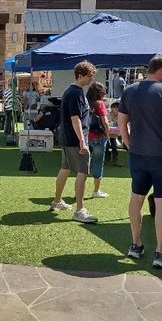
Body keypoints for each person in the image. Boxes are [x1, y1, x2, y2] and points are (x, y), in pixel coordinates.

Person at [118, 54, 162, 269]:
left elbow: (121, 122)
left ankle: (135, 245)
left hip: (138, 155)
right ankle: (160, 252)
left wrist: (128, 144)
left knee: (136, 198)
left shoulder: (129, 91)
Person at [49, 60, 98, 224]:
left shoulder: (74, 91)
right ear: (80, 75)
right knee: (82, 172)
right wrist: (82, 142)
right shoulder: (75, 93)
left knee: (65, 168)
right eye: (90, 76)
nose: (92, 79)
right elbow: (75, 119)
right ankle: (79, 210)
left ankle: (57, 201)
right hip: (74, 140)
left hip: (68, 138)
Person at [86, 82, 110, 199]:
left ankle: (79, 190)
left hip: (86, 136)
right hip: (98, 137)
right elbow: (105, 121)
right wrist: (107, 132)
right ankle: (96, 190)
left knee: (84, 165)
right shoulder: (99, 104)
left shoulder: (85, 103)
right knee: (97, 163)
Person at [106, 102, 122, 167]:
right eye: (117, 109)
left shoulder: (119, 117)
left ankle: (116, 161)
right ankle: (107, 161)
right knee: (106, 146)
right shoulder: (107, 115)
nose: (118, 111)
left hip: (114, 135)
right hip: (106, 134)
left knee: (114, 146)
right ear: (113, 108)